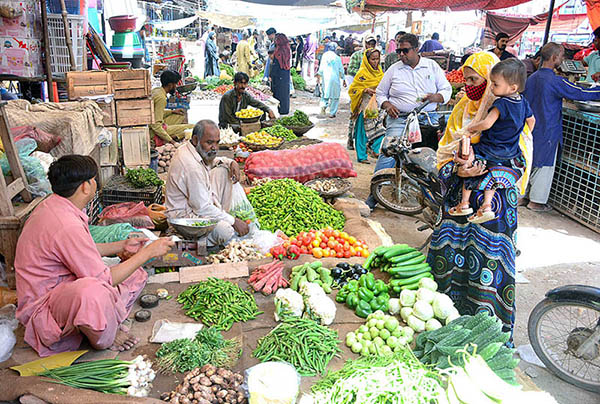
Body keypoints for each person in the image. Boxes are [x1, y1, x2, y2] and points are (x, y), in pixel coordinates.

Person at [15, 155, 174, 357]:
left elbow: (81, 250)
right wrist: (147, 253)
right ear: (85, 186)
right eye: (93, 180)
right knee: (93, 292)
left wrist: (121, 245)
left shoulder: (55, 207)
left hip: (59, 291)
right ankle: (105, 337)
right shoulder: (65, 224)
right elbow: (104, 279)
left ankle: (100, 319)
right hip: (44, 308)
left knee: (135, 275)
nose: (95, 184)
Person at [431, 52, 532, 336]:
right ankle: (443, 323)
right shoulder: (462, 110)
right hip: (457, 212)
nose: (467, 85)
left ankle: (487, 331)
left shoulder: (509, 111)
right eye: (465, 79)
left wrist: (493, 173)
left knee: (488, 267)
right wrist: (459, 171)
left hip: (494, 214)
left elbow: (522, 161)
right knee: (449, 267)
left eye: (475, 79)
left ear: (494, 82)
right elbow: (444, 157)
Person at [367, 33, 452, 209]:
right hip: (401, 119)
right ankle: (375, 192)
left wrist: (438, 97)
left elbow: (446, 89)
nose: (401, 55)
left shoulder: (431, 67)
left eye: (405, 51)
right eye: (399, 51)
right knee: (390, 150)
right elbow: (381, 93)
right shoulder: (394, 69)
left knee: (430, 157)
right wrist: (387, 104)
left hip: (427, 118)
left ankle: (431, 196)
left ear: (416, 49)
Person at [449, 58, 535, 223]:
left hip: (489, 148)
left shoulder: (500, 103)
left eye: (495, 84)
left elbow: (487, 123)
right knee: (493, 180)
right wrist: (516, 135)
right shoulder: (523, 102)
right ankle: (487, 206)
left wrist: (473, 128)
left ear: (512, 87)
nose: (491, 87)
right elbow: (532, 122)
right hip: (510, 151)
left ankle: (464, 203)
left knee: (471, 164)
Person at [523, 42, 600, 211]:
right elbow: (579, 92)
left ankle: (523, 196)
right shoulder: (555, 80)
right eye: (562, 55)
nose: (563, 58)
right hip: (548, 128)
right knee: (545, 165)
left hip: (530, 129)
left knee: (529, 161)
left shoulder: (532, 78)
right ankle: (536, 201)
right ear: (554, 57)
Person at [166, 120, 252, 247]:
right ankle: (189, 243)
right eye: (209, 143)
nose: (215, 148)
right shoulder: (191, 166)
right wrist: (233, 221)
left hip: (196, 204)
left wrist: (230, 162)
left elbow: (212, 161)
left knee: (224, 170)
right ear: (195, 140)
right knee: (225, 231)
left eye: (217, 143)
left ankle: (220, 215)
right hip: (185, 219)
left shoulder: (190, 148)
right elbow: (201, 208)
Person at [348, 48, 385, 164]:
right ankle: (361, 155)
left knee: (380, 128)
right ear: (367, 60)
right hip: (364, 106)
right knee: (362, 132)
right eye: (373, 59)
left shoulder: (380, 72)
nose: (375, 62)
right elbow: (353, 89)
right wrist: (365, 90)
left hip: (377, 106)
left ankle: (375, 150)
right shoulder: (362, 74)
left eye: (377, 59)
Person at [149, 70, 194, 146]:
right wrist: (171, 141)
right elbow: (156, 126)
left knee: (179, 115)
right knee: (192, 127)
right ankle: (172, 137)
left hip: (152, 125)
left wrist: (172, 111)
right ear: (170, 85)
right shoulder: (161, 98)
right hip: (152, 132)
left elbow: (156, 113)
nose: (176, 87)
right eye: (175, 84)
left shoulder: (156, 90)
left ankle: (173, 135)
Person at [317, 42, 346, 118]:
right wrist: (343, 79)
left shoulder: (324, 56)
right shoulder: (337, 58)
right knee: (335, 96)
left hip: (325, 78)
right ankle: (332, 113)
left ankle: (323, 106)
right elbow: (341, 70)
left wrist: (318, 78)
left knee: (325, 94)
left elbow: (321, 69)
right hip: (335, 78)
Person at [268, 28, 292, 115]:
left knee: (279, 93)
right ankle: (285, 109)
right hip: (285, 74)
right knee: (285, 93)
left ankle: (280, 109)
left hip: (279, 75)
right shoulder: (287, 49)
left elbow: (276, 65)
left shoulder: (279, 51)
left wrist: (271, 75)